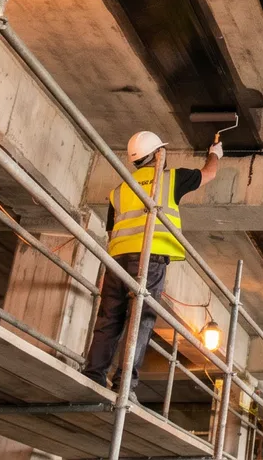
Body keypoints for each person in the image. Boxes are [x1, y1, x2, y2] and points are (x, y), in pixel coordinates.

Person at [84, 130, 222, 386]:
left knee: (108, 319)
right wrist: (215, 155)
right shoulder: (170, 179)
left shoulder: (120, 189)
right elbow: (209, 173)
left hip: (117, 262)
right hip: (149, 260)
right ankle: (125, 382)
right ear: (158, 153)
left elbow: (112, 232)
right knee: (141, 318)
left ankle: (93, 374)